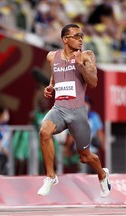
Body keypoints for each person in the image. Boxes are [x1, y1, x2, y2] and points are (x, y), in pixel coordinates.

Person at [37, 23, 111, 197]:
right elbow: (55, 74)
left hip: (77, 112)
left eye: (81, 37)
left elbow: (93, 82)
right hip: (59, 109)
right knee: (44, 132)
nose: (80, 40)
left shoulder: (86, 56)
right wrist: (50, 86)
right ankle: (50, 176)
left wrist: (81, 66)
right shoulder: (51, 56)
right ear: (65, 39)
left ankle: (102, 174)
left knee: (84, 157)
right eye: (76, 36)